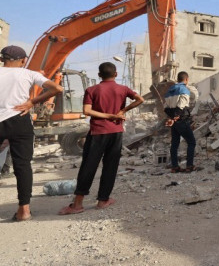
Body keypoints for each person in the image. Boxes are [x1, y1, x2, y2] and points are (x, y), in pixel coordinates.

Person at [58, 62, 143, 215]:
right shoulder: (123, 89)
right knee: (110, 166)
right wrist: (122, 111)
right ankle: (103, 200)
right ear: (116, 74)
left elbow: (87, 111)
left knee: (88, 166)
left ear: (99, 75)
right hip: (116, 132)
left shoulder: (92, 90)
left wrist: (107, 115)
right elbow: (140, 99)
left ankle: (77, 204)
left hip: (97, 132)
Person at [0, 45, 63, 221]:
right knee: (22, 166)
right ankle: (24, 210)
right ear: (23, 60)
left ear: (1, 59)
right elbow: (57, 89)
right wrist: (31, 102)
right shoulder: (29, 73)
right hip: (20, 119)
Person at [164, 71, 201, 173]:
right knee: (191, 142)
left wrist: (171, 118)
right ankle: (189, 166)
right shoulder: (184, 89)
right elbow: (181, 106)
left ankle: (175, 167)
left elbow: (165, 108)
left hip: (174, 122)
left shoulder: (170, 90)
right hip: (182, 120)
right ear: (186, 79)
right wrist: (176, 116)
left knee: (174, 144)